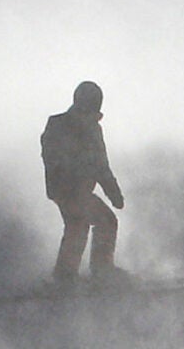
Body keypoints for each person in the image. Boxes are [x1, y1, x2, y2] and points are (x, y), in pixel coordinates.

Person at [40, 80, 127, 285]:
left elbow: (99, 164)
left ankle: (65, 276)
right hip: (70, 190)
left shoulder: (61, 123)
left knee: (77, 225)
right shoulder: (76, 126)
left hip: (65, 190)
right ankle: (100, 272)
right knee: (105, 221)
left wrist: (113, 192)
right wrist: (113, 193)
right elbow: (99, 165)